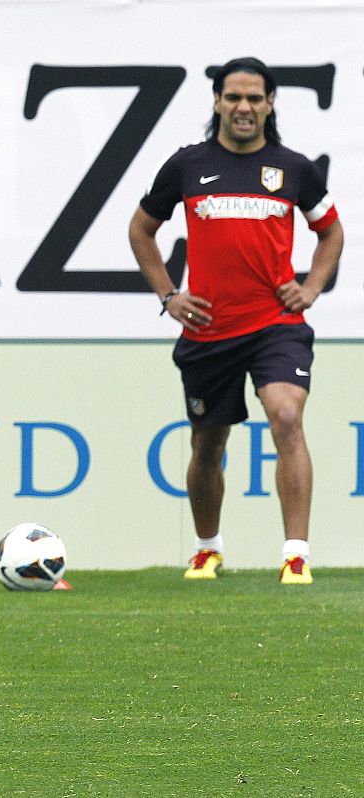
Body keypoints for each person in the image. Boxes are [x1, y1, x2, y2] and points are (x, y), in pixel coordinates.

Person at [129, 57, 342, 585]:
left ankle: (296, 553)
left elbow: (331, 233)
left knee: (287, 416)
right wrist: (169, 295)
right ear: (217, 102)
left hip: (276, 324)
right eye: (233, 97)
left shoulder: (294, 168)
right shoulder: (186, 165)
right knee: (208, 443)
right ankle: (207, 549)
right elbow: (141, 229)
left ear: (270, 104)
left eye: (253, 98)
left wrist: (311, 286)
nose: (242, 107)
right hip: (209, 329)